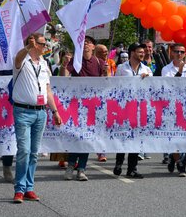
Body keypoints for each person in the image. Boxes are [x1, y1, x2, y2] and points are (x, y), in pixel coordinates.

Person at [12, 33, 61, 203]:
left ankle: (29, 187)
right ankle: (19, 189)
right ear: (33, 44)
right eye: (42, 43)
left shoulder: (45, 64)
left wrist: (54, 111)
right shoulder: (21, 61)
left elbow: (47, 91)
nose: (45, 46)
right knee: (24, 151)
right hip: (23, 112)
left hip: (41, 112)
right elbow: (18, 58)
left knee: (34, 153)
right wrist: (27, 48)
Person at [60, 35, 104, 181]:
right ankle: (71, 166)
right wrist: (64, 66)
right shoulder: (75, 61)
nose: (86, 45)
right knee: (76, 137)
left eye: (89, 43)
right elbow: (64, 78)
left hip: (92, 107)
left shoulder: (99, 62)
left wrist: (107, 71)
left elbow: (107, 83)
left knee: (87, 139)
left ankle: (81, 169)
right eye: (83, 43)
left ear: (93, 47)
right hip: (76, 107)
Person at [112, 43, 153, 179]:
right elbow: (116, 87)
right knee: (123, 136)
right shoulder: (122, 68)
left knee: (136, 138)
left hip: (140, 108)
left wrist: (147, 80)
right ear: (132, 52)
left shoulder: (147, 69)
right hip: (125, 107)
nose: (142, 54)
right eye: (140, 52)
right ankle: (119, 163)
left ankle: (132, 168)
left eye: (143, 52)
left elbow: (153, 88)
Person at [161, 43, 186, 177]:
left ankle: (174, 157)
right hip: (172, 106)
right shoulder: (166, 69)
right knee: (174, 135)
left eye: (182, 52)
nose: (180, 54)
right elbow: (170, 86)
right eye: (177, 52)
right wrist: (180, 71)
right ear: (172, 53)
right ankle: (180, 163)